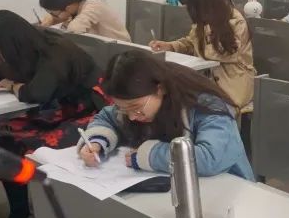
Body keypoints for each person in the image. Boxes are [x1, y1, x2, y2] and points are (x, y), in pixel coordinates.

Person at [0, 11, 108, 218]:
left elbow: (36, 92)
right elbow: (20, 75)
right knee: (1, 140)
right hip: (60, 109)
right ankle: (20, 216)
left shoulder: (56, 52)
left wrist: (12, 86)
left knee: (32, 151)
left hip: (91, 114)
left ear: (10, 45)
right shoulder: (28, 47)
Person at [78, 50, 253, 179]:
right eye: (123, 108)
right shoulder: (135, 101)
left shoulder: (207, 105)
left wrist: (150, 155)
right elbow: (107, 117)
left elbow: (210, 158)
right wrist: (97, 142)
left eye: (135, 107)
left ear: (159, 89)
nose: (131, 116)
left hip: (229, 191)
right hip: (172, 188)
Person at [150, 0, 256, 114]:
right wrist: (170, 46)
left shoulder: (236, 21)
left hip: (232, 85)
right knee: (172, 102)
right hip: (206, 82)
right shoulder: (204, 20)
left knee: (203, 112)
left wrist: (200, 40)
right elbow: (191, 42)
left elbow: (226, 53)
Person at [38, 0, 131, 41]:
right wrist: (52, 19)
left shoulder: (92, 5)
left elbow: (74, 30)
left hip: (121, 51)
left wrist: (60, 21)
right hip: (104, 52)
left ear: (68, 8)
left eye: (54, 14)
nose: (53, 16)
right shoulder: (77, 7)